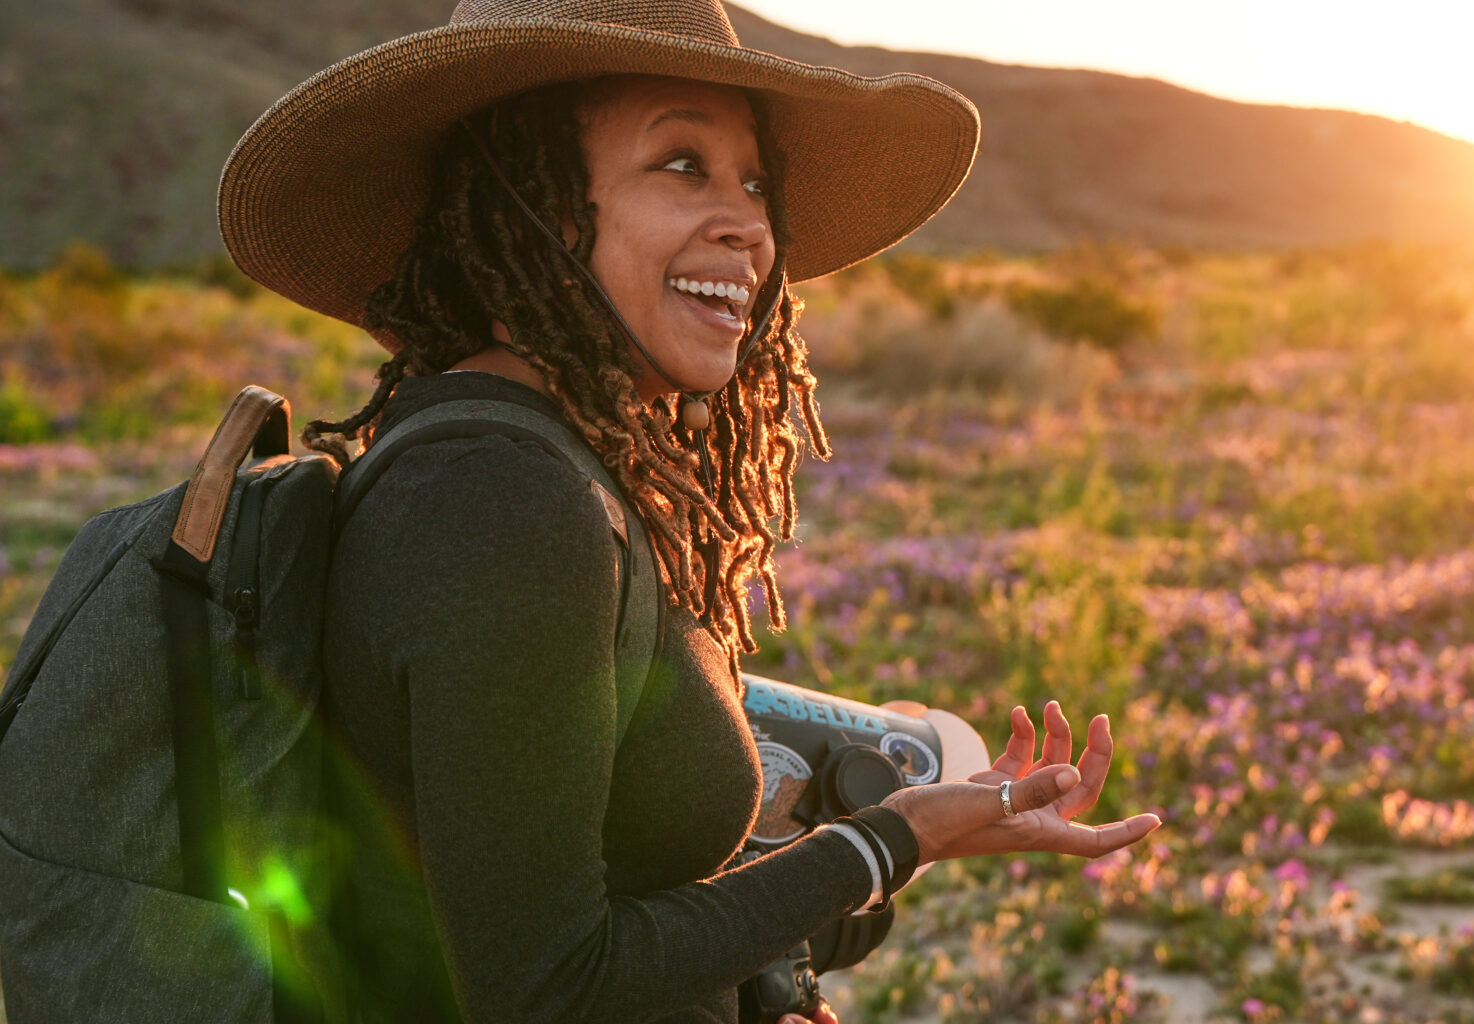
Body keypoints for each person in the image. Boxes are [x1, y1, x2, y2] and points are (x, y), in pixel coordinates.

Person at [217, 1, 1162, 1021]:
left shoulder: (544, 465)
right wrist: (890, 837)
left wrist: (888, 855)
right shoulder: (498, 500)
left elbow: (617, 913)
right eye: (682, 163)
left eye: (755, 181)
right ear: (523, 195)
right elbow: (546, 991)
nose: (750, 224)